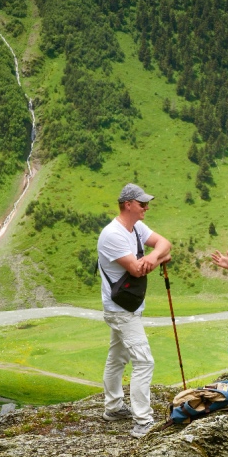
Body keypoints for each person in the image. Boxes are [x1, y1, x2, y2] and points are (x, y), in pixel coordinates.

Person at [97, 183, 172, 438]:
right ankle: (143, 422)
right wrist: (157, 258)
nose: (146, 208)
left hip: (129, 305)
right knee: (144, 361)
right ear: (128, 204)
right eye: (142, 204)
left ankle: (114, 407)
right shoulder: (113, 235)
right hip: (121, 309)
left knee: (117, 357)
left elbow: (164, 242)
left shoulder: (136, 227)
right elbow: (136, 269)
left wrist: (154, 256)